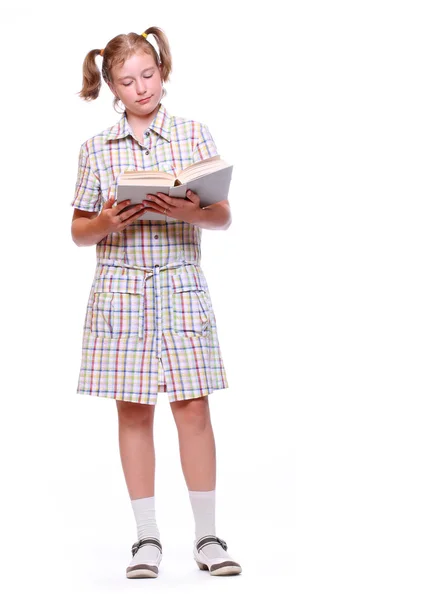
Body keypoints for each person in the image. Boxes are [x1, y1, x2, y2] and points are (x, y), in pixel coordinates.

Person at [71, 26, 242, 579]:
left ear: (162, 70)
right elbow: (77, 231)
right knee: (134, 411)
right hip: (120, 291)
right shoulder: (95, 149)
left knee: (193, 407)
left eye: (148, 74)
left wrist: (188, 211)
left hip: (180, 287)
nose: (141, 87)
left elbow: (222, 215)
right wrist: (106, 220)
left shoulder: (193, 135)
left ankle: (209, 538)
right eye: (127, 81)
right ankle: (146, 541)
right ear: (112, 88)